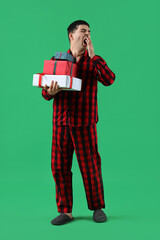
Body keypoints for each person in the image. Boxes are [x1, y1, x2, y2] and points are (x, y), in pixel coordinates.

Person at [41, 20, 116, 225]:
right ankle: (65, 211)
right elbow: (45, 93)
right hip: (61, 123)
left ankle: (97, 207)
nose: (87, 35)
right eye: (83, 31)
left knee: (90, 166)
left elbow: (109, 79)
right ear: (71, 35)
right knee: (59, 167)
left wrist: (94, 54)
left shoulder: (93, 62)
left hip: (85, 123)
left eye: (90, 32)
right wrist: (50, 91)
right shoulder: (58, 60)